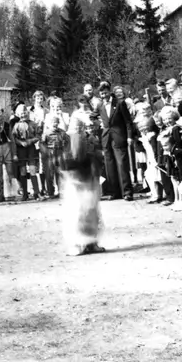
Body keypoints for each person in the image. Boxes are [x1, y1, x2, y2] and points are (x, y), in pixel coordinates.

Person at [59, 108, 104, 256]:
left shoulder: (90, 138)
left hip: (89, 178)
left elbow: (96, 156)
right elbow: (68, 160)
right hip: (77, 179)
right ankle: (78, 244)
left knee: (91, 212)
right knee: (78, 212)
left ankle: (92, 242)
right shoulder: (71, 139)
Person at [100, 85, 138, 201]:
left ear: (109, 92)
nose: (104, 96)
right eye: (102, 94)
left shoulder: (120, 103)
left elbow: (128, 122)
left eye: (105, 93)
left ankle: (127, 192)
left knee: (122, 164)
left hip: (119, 137)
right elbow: (94, 117)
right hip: (107, 139)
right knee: (110, 166)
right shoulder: (100, 106)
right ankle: (114, 192)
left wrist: (129, 137)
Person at [11, 103, 41, 201]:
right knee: (23, 171)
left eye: (24, 112)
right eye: (21, 113)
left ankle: (36, 193)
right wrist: (20, 142)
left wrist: (30, 141)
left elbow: (38, 136)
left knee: (33, 170)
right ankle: (25, 194)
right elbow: (13, 138)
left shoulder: (33, 124)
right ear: (18, 114)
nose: (23, 115)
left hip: (31, 149)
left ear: (27, 113)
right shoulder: (16, 125)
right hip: (21, 150)